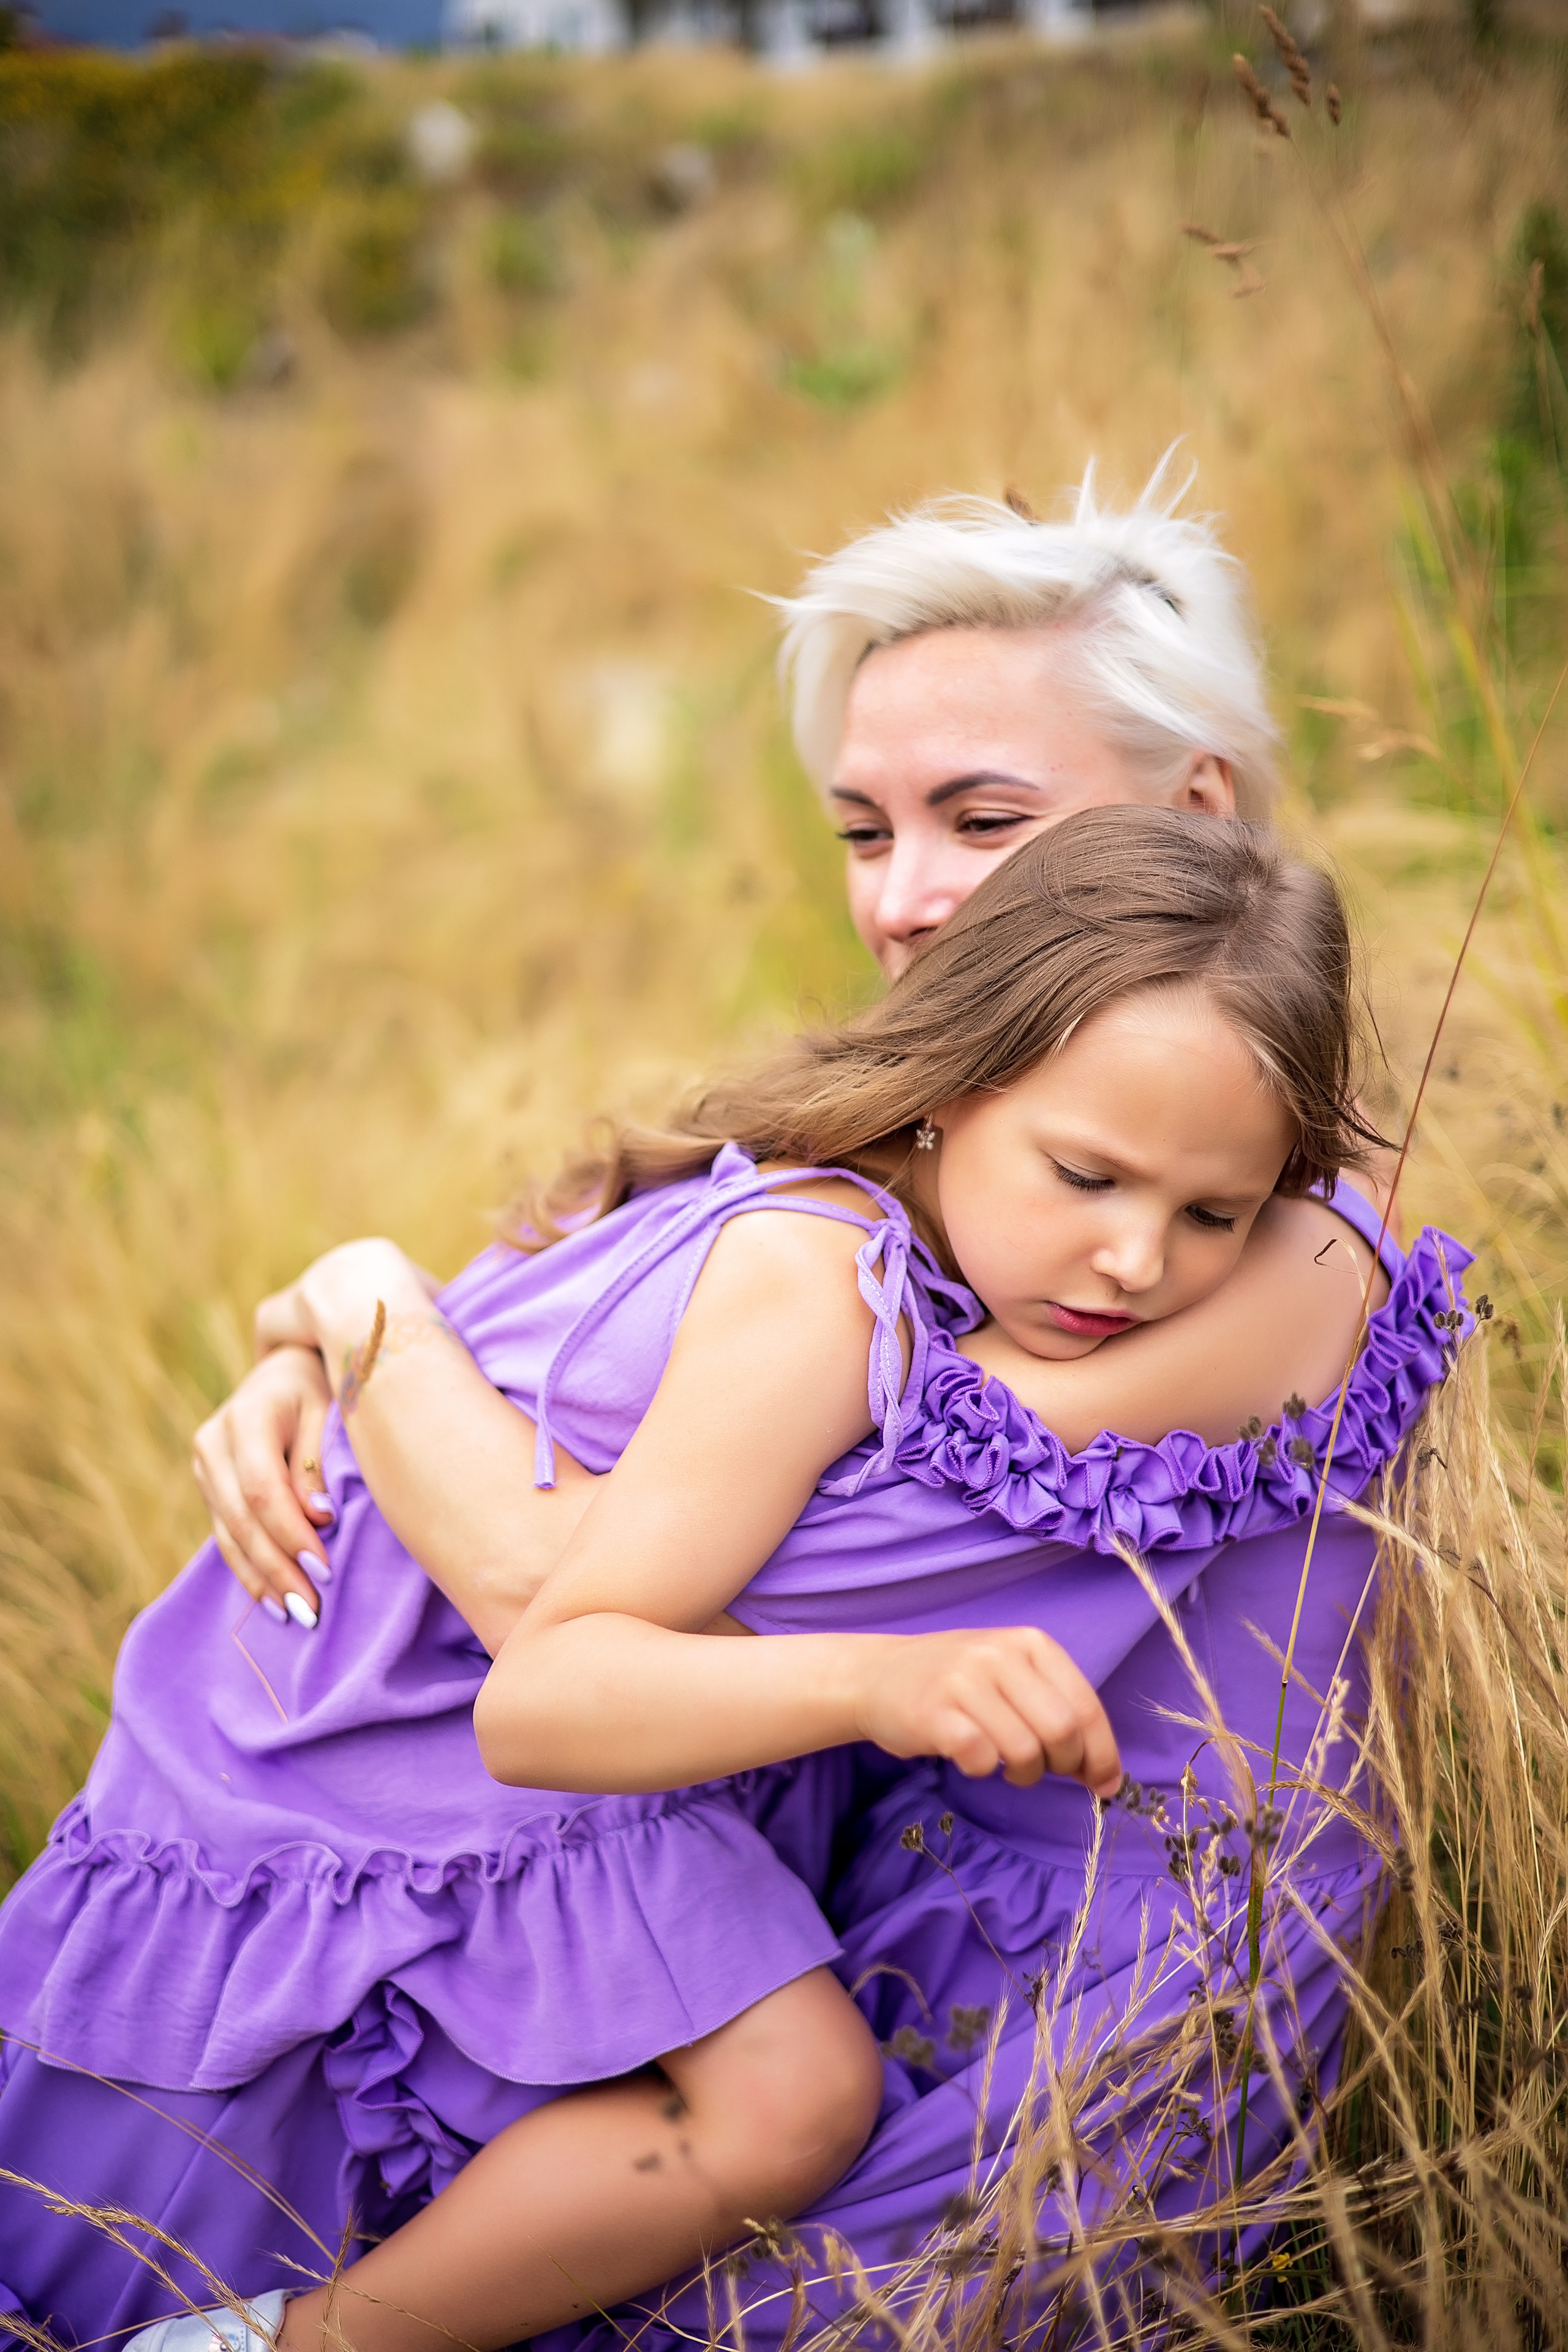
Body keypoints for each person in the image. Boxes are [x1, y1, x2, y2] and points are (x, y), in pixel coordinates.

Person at [5, 818, 1463, 2348]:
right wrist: (882, 1678)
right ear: (958, 1078)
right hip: (397, 1702)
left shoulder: (949, 1239)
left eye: (1208, 1215)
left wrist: (346, 1304)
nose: (1130, 1263)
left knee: (779, 2101)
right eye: (1085, 1176)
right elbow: (545, 1690)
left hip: (534, 1682)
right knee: (791, 2102)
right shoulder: (824, 1276)